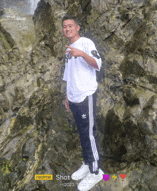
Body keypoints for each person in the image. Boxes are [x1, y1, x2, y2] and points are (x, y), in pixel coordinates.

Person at [62, 14, 104, 191]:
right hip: (74, 97)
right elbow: (68, 74)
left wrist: (81, 54)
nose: (67, 29)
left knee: (89, 133)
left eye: (70, 26)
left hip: (86, 95)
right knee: (82, 132)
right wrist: (67, 96)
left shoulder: (86, 43)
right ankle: (87, 163)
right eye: (64, 27)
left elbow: (97, 64)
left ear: (77, 27)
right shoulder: (68, 49)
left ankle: (96, 172)